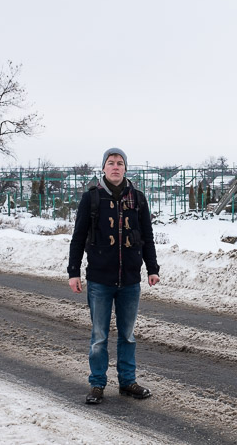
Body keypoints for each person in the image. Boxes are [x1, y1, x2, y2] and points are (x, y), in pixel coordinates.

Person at [67, 147, 160, 404]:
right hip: (100, 280)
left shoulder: (138, 199)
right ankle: (97, 384)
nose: (116, 167)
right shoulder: (92, 199)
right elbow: (78, 238)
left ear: (126, 168)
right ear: (104, 168)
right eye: (111, 163)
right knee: (99, 337)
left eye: (120, 163)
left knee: (128, 335)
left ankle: (127, 382)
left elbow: (147, 237)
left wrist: (152, 268)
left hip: (130, 281)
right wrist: (73, 272)